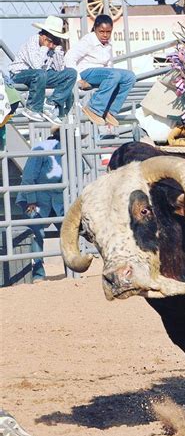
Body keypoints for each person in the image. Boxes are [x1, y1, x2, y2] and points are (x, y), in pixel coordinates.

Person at [64, 14, 136, 126]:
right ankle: (93, 108)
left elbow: (108, 64)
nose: (105, 35)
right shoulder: (88, 40)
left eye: (108, 32)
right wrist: (78, 79)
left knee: (130, 76)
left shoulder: (108, 43)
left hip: (102, 73)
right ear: (95, 29)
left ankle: (110, 111)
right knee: (114, 75)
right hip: (86, 72)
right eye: (101, 31)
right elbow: (69, 57)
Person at [16, 127, 64, 281]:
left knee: (67, 231)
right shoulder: (42, 148)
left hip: (55, 200)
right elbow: (29, 177)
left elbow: (79, 170)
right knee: (37, 233)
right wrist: (31, 200)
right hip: (35, 198)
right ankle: (38, 273)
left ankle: (70, 270)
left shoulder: (68, 150)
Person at [9, 16, 77, 124]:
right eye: (50, 40)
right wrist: (44, 48)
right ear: (43, 36)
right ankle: (32, 108)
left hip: (42, 75)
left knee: (71, 73)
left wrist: (58, 51)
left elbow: (59, 69)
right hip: (20, 74)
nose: (51, 44)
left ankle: (50, 104)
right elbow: (36, 65)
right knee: (40, 74)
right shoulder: (32, 42)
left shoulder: (53, 47)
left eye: (55, 41)